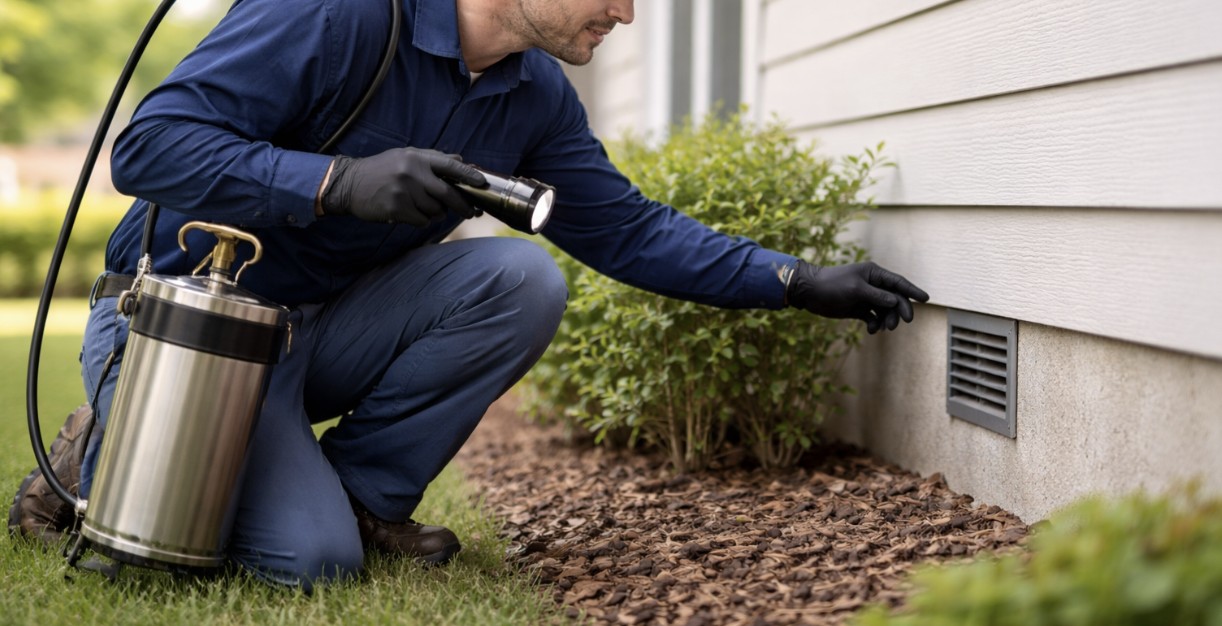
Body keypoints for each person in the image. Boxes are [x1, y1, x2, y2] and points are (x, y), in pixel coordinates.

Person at [9, 0, 928, 590]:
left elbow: (628, 230)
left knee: (519, 275)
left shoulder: (535, 96)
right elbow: (149, 148)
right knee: (309, 567)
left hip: (323, 334)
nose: (629, 12)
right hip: (192, 328)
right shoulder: (339, 15)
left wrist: (797, 281)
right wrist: (334, 182)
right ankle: (106, 445)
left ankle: (363, 499)